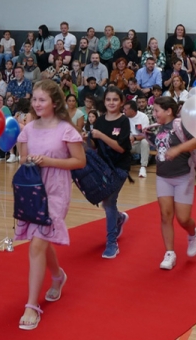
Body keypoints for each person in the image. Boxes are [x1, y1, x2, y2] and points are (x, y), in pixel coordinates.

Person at [15, 79, 85, 330]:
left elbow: (79, 161)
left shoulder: (67, 130)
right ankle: (58, 276)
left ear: (55, 102)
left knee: (36, 245)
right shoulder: (28, 129)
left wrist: (48, 161)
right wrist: (29, 160)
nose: (36, 103)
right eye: (34, 99)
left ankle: (31, 306)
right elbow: (22, 159)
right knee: (41, 241)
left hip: (56, 191)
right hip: (34, 191)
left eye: (41, 99)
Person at [147, 97, 196, 270]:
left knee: (183, 218)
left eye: (156, 110)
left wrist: (178, 149)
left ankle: (193, 233)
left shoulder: (181, 124)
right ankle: (170, 253)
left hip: (183, 176)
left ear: (168, 111)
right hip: (163, 176)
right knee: (165, 215)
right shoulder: (158, 128)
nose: (154, 114)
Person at [90, 86, 132, 258]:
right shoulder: (98, 121)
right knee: (107, 203)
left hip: (120, 167)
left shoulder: (123, 121)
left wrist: (101, 136)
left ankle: (111, 242)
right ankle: (119, 218)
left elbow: (121, 148)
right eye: (108, 99)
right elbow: (94, 145)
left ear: (121, 102)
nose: (111, 103)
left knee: (109, 202)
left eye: (115, 99)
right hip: (103, 167)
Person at [124, 101, 150, 178]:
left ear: (132, 111)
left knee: (145, 142)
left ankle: (143, 167)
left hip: (139, 143)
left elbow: (145, 134)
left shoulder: (143, 117)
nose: (123, 111)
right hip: (127, 143)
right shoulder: (123, 117)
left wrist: (134, 138)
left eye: (125, 110)